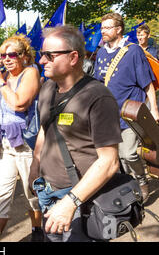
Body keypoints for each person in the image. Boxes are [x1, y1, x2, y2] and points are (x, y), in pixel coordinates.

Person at [28, 25, 122, 242]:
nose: (42, 61)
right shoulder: (48, 89)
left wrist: (70, 202)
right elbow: (45, 128)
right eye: (42, 55)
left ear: (73, 57)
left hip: (81, 199)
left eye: (49, 56)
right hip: (48, 193)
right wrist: (35, 166)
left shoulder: (99, 97)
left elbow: (109, 162)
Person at [94, 13, 159, 202]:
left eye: (107, 28)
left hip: (129, 112)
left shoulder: (133, 51)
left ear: (118, 29)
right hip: (107, 114)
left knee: (129, 154)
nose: (103, 31)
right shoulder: (101, 52)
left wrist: (154, 109)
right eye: (102, 27)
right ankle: (128, 185)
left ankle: (141, 179)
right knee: (114, 156)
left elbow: (147, 83)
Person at [0, 34, 43, 241]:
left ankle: (38, 230)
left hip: (26, 144)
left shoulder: (31, 73)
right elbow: (3, 105)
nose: (6, 59)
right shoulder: (3, 77)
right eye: (3, 55)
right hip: (3, 144)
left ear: (24, 56)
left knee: (32, 194)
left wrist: (1, 82)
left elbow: (19, 104)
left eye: (12, 55)